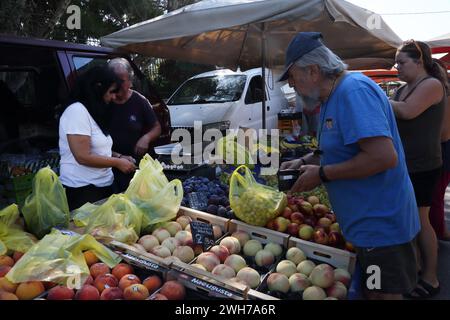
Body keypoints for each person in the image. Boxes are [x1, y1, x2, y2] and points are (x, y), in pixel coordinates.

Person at [278, 32, 420, 300]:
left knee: (382, 294)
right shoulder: (331, 98)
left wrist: (321, 174)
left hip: (382, 227)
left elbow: (382, 157)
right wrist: (305, 161)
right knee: (374, 290)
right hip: (367, 227)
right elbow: (338, 150)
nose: (292, 84)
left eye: (292, 76)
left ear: (313, 70)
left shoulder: (353, 91)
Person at [390, 40, 449, 298]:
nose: (397, 67)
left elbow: (408, 112)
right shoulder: (401, 90)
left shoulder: (432, 85)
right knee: (407, 221)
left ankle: (431, 277)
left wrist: (370, 93)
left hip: (424, 165)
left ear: (419, 62)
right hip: (403, 164)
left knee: (421, 220)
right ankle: (414, 271)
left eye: (402, 62)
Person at [59, 65, 136, 211]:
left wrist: (120, 156)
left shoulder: (93, 111)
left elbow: (96, 148)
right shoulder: (76, 111)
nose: (114, 97)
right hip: (83, 191)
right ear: (98, 87)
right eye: (112, 91)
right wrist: (117, 163)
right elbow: (82, 156)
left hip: (103, 185)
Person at [108, 58, 162, 192]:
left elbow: (157, 127)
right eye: (114, 80)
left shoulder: (140, 101)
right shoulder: (104, 102)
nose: (117, 85)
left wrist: (146, 138)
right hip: (111, 169)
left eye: (122, 80)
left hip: (137, 168)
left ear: (130, 81)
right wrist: (117, 157)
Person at [429, 90, 450, 241]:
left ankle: (438, 232)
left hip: (443, 151)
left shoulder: (446, 97)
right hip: (442, 150)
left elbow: (443, 134)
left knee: (435, 196)